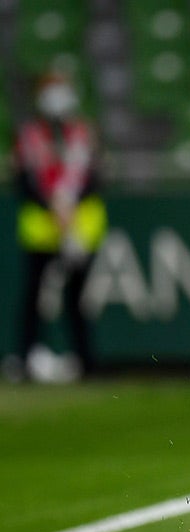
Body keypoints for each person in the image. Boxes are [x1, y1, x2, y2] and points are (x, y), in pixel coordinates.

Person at [11, 71, 107, 381]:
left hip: (80, 231)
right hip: (41, 231)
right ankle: (26, 359)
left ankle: (85, 362)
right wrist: (51, 206)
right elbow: (23, 180)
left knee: (77, 300)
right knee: (34, 299)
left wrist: (70, 206)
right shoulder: (30, 136)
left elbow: (94, 178)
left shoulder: (82, 134)